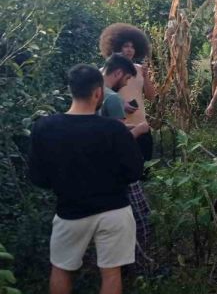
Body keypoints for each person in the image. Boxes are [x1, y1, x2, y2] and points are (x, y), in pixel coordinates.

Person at [29, 64, 143, 294]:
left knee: (61, 269)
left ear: (70, 90)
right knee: (111, 272)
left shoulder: (44, 127)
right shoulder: (114, 129)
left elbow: (38, 177)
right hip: (114, 210)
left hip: (70, 210)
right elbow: (134, 172)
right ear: (98, 92)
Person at [99, 54, 152, 273]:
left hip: (100, 169)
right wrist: (139, 129)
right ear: (119, 73)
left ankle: (123, 264)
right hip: (118, 169)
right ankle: (139, 268)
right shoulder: (111, 98)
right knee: (141, 218)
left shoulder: (95, 93)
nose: (128, 83)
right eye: (128, 78)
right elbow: (117, 141)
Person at [99, 23, 156, 161]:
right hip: (120, 129)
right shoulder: (103, 74)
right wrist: (120, 103)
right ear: (116, 47)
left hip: (141, 126)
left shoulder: (140, 70)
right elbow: (96, 101)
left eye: (132, 46)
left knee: (145, 169)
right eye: (126, 46)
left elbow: (151, 97)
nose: (130, 50)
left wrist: (147, 76)